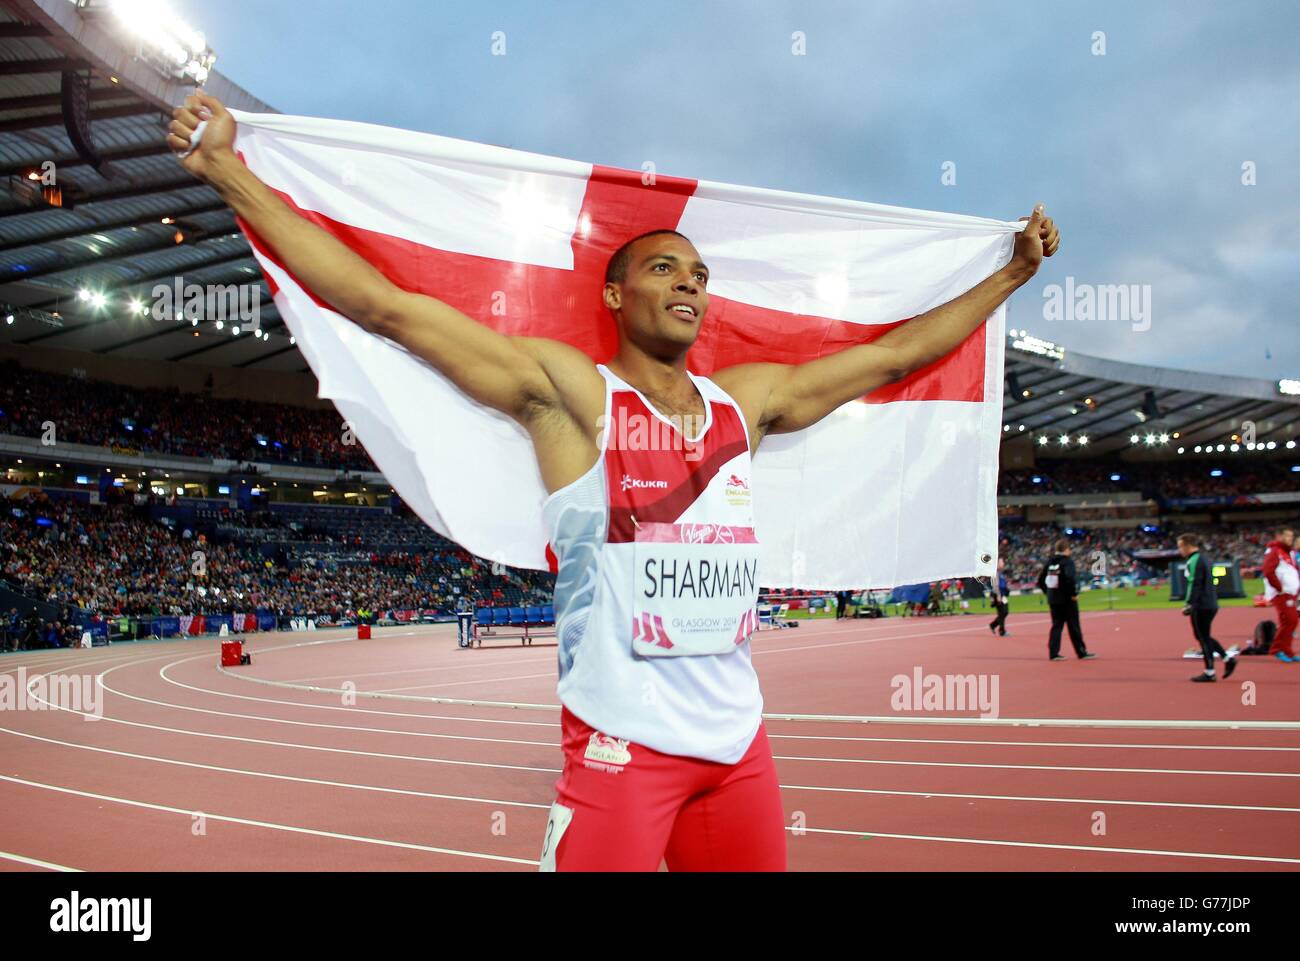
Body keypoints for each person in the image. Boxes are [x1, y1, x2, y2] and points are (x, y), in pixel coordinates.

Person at [168, 92, 1059, 872]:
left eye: (701, 275)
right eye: (666, 267)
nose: (691, 284)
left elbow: (893, 354)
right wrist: (229, 173)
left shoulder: (741, 406)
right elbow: (386, 307)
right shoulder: (572, 396)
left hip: (738, 747)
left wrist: (1012, 273)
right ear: (614, 295)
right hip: (620, 749)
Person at [1178, 533, 1234, 682]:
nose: (1179, 550)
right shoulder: (1204, 559)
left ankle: (1210, 671)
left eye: (1180, 546)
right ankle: (1226, 659)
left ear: (1187, 545)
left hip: (1201, 604)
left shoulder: (1194, 560)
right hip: (1210, 602)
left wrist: (1189, 603)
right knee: (1203, 636)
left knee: (1202, 637)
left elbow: (1194, 584)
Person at [1037, 539, 1095, 661]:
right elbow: (1070, 579)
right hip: (1067, 599)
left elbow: (1040, 581)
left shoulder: (1050, 562)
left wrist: (1048, 593)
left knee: (1056, 626)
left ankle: (1053, 653)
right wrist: (1073, 594)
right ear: (1066, 549)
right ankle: (1081, 652)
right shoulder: (1067, 562)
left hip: (1054, 599)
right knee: (1074, 626)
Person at [1261, 526, 1297, 663]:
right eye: (1287, 536)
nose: (1290, 539)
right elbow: (1268, 571)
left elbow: (1291, 571)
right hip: (1282, 593)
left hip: (1290, 592)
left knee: (1290, 622)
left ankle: (1287, 650)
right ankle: (1277, 649)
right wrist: (1279, 588)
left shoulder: (1288, 552)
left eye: (1291, 536)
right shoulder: (1274, 551)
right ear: (1279, 536)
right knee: (1290, 621)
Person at [988, 557, 1010, 636]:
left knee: (1004, 612)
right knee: (1003, 612)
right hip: (998, 595)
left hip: (1003, 595)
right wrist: (998, 597)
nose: (1003, 564)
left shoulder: (1001, 573)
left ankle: (995, 626)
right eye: (1001, 562)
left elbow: (1003, 584)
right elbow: (995, 586)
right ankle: (1001, 630)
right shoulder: (995, 573)